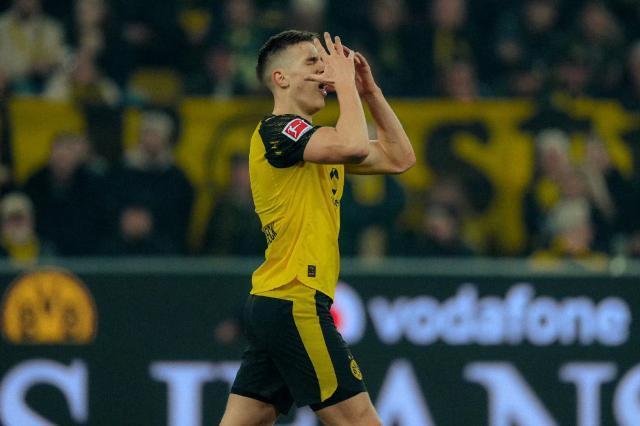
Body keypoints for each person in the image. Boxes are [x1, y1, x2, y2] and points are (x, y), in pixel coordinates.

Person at [220, 31, 415, 425]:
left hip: (277, 301)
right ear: (281, 78)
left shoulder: (318, 143)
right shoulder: (277, 131)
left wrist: (370, 92)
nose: (325, 70)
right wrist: (346, 86)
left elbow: (399, 157)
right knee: (360, 420)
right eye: (312, 62)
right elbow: (354, 146)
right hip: (295, 298)